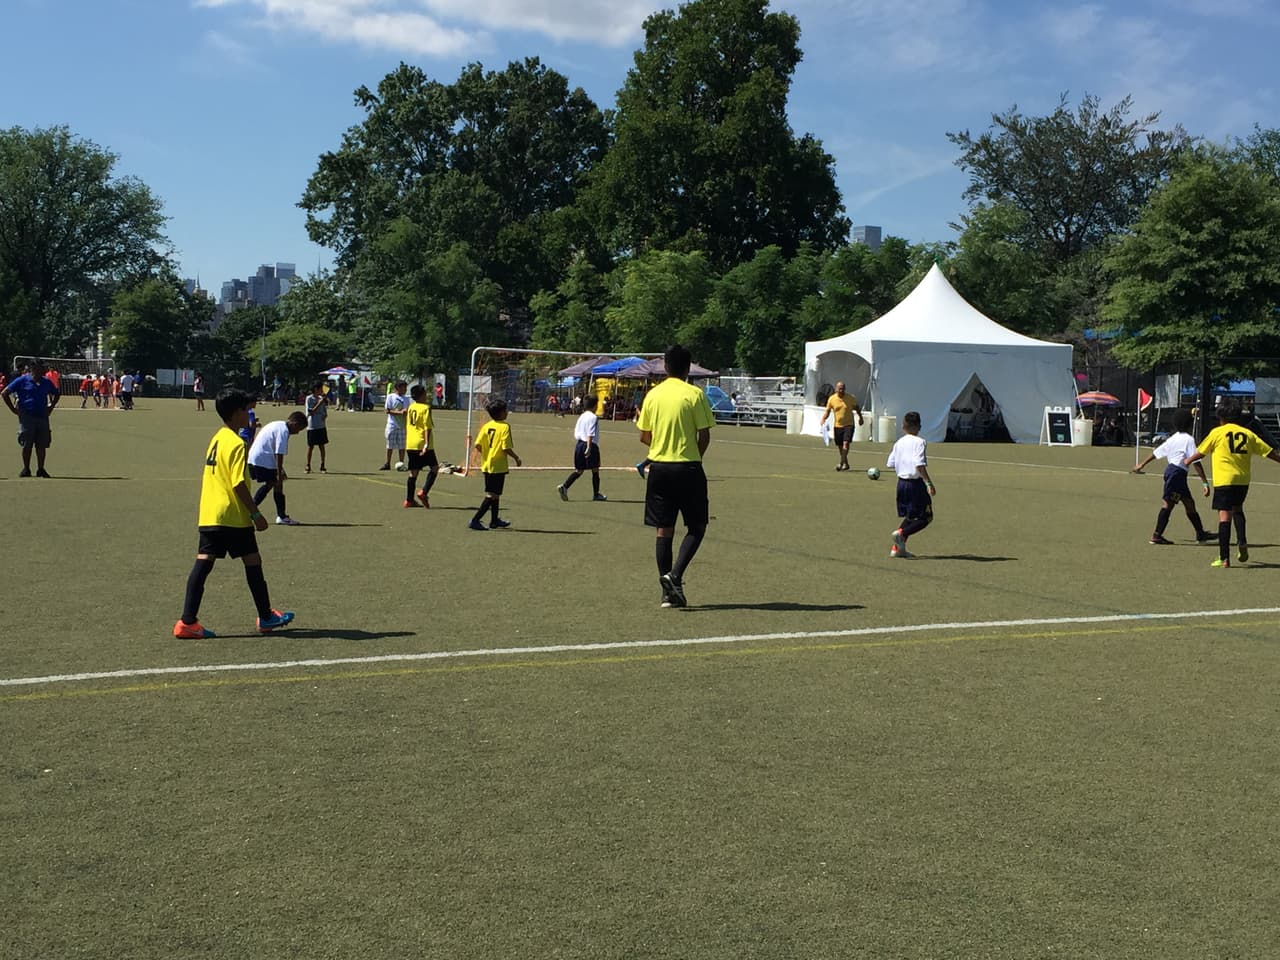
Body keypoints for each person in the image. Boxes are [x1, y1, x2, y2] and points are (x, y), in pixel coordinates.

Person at [173, 389, 294, 639]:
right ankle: (266, 617)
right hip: (234, 516)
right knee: (252, 562)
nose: (249, 416)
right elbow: (238, 483)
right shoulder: (237, 443)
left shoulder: (218, 438)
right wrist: (256, 514)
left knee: (204, 563)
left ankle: (187, 621)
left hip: (210, 513)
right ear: (237, 412)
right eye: (246, 411)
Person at [637, 344, 714, 608]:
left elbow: (645, 435)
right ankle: (675, 576)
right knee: (697, 526)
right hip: (688, 467)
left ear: (666, 366)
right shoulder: (695, 394)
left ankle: (667, 594)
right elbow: (704, 434)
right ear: (688, 367)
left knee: (663, 529)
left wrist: (661, 448)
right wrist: (695, 455)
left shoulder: (653, 395)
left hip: (659, 468)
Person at [1185, 399, 1280, 568]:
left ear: (1220, 416)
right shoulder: (1248, 434)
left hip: (1224, 480)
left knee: (1224, 516)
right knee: (1238, 509)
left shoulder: (1217, 432)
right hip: (1242, 481)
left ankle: (1224, 558)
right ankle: (1242, 542)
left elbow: (1201, 452)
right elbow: (1269, 452)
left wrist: (1187, 461)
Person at [1131, 408, 1214, 545]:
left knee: (1189, 503)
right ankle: (1156, 535)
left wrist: (1142, 464)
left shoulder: (1173, 438)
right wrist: (1205, 482)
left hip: (1172, 473)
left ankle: (1200, 533)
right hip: (1177, 475)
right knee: (1168, 504)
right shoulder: (1189, 439)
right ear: (1189, 423)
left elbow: (1156, 453)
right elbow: (1195, 461)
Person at [886, 410, 936, 559]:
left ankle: (897, 549)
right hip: (915, 485)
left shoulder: (899, 442)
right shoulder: (919, 442)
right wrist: (928, 483)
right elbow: (919, 465)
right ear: (919, 426)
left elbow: (890, 463)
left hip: (901, 484)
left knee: (910, 517)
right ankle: (902, 533)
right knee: (926, 517)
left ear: (903, 426)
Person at [469, 398, 521, 530]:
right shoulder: (504, 427)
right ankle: (475, 520)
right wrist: (516, 458)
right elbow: (505, 447)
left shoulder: (487, 426)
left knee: (495, 494)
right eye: (505, 410)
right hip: (497, 466)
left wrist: (487, 454)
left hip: (487, 464)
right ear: (501, 413)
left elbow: (478, 445)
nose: (507, 412)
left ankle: (494, 520)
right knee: (491, 495)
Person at [2, 361, 60, 477]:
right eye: (37, 369)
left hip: (42, 416)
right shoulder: (22, 380)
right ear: (32, 369)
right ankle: (26, 469)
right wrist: (13, 409)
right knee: (26, 444)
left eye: (41, 369)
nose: (39, 372)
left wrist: (51, 407)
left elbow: (56, 393)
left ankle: (41, 469)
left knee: (41, 444)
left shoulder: (46, 382)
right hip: (26, 417)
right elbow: (5, 393)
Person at [248, 411, 307, 526]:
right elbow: (279, 453)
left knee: (274, 484)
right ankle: (255, 511)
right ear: (295, 424)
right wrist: (279, 473)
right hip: (262, 459)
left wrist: (280, 470)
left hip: (255, 457)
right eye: (299, 429)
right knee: (275, 483)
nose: (298, 432)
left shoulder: (278, 424)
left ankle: (279, 515)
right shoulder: (284, 431)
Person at [558, 393, 607, 502]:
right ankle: (596, 494)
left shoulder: (582, 416)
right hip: (590, 445)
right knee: (595, 470)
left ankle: (565, 486)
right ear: (595, 406)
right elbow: (590, 433)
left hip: (579, 444)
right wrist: (589, 447)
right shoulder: (593, 417)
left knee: (579, 470)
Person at [403, 384, 441, 508]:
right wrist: (425, 444)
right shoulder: (425, 408)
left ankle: (409, 500)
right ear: (421, 395)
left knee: (413, 473)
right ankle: (424, 492)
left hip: (410, 443)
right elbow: (427, 427)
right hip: (422, 444)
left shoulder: (411, 407)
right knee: (434, 468)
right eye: (425, 393)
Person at [819, 381, 864, 472]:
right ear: (836, 389)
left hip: (849, 424)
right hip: (838, 426)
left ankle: (841, 463)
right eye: (839, 388)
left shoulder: (850, 398)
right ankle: (846, 463)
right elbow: (827, 411)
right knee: (840, 446)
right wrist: (823, 419)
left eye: (843, 388)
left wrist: (860, 418)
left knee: (846, 444)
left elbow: (857, 408)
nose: (841, 390)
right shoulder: (832, 399)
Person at [382, 380, 409, 470]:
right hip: (392, 425)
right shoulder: (391, 397)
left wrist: (406, 412)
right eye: (403, 387)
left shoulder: (406, 399)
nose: (405, 389)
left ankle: (401, 463)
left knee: (402, 446)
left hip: (402, 425)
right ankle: (387, 463)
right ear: (397, 388)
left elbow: (407, 410)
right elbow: (387, 410)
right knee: (390, 445)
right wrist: (399, 412)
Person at [303, 382, 328, 474]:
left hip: (321, 426)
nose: (322, 390)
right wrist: (319, 403)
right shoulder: (309, 399)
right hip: (312, 425)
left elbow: (325, 412)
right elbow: (311, 412)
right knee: (311, 446)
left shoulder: (321, 398)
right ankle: (308, 465)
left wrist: (324, 416)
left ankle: (323, 465)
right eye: (321, 388)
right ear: (316, 389)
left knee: (322, 446)